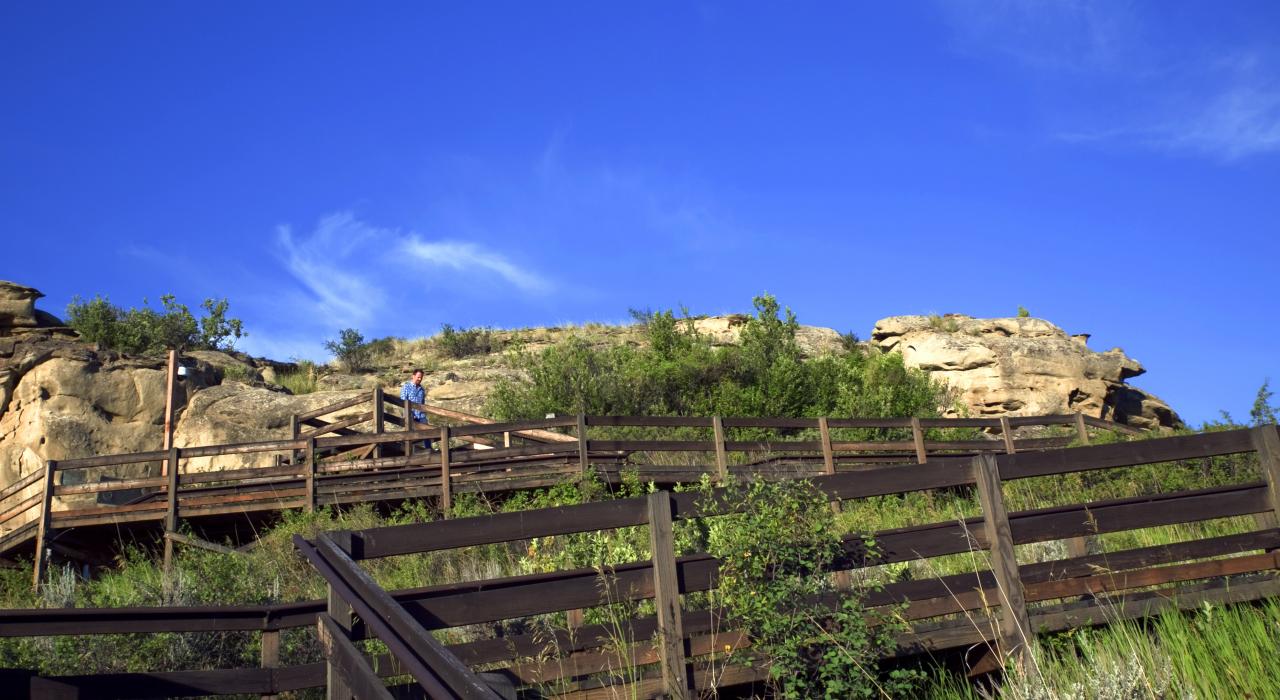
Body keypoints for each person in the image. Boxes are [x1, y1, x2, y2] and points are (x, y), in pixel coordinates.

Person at [400, 369, 429, 450]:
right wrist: (409, 413)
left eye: (421, 378)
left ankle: (428, 449)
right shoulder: (406, 387)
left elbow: (422, 403)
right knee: (410, 434)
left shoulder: (421, 390)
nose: (420, 379)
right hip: (410, 414)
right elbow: (402, 401)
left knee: (427, 431)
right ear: (413, 376)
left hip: (420, 415)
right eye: (418, 377)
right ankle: (408, 450)